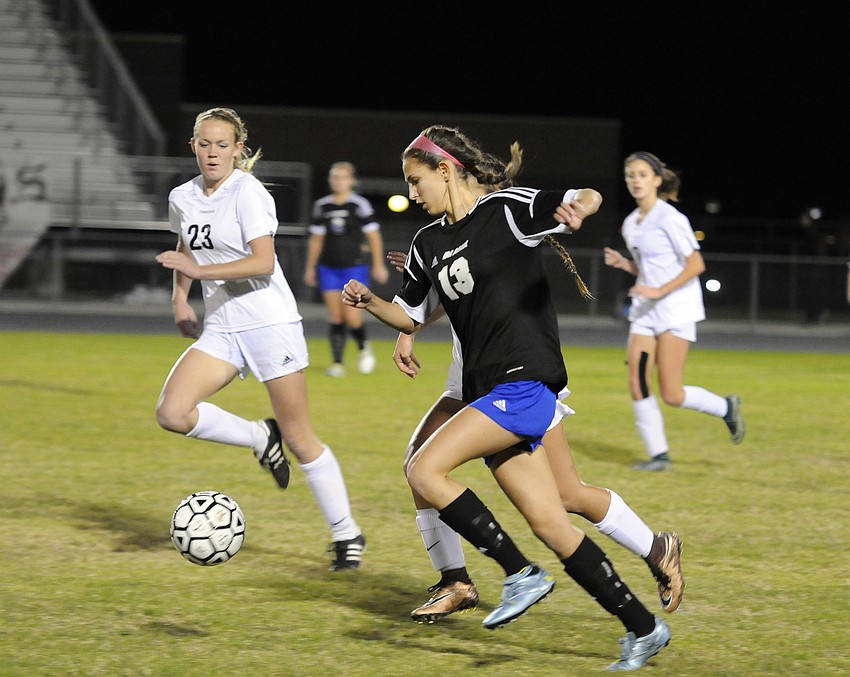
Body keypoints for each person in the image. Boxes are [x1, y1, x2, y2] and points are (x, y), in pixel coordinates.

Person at [343, 125, 671, 671]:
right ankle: (644, 628)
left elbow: (585, 195)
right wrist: (371, 302)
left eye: (416, 181)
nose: (412, 193)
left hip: (526, 384)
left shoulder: (507, 210)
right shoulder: (427, 243)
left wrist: (580, 209)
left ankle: (519, 573)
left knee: (424, 469)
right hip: (488, 391)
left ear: (445, 170)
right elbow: (410, 315)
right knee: (552, 523)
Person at [386, 252, 685, 625]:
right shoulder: (448, 234)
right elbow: (456, 289)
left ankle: (655, 550)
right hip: (471, 378)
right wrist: (414, 315)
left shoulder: (495, 233)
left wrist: (432, 285)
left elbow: (475, 283)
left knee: (567, 494)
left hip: (516, 378)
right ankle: (455, 581)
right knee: (419, 463)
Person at [154, 107, 365, 571]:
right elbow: (187, 246)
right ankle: (257, 435)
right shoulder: (182, 196)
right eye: (204, 144)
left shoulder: (248, 193)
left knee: (299, 437)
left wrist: (197, 273)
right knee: (172, 412)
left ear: (238, 149)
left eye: (222, 145)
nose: (213, 153)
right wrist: (180, 300)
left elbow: (263, 262)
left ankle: (347, 534)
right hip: (222, 327)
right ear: (192, 146)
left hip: (270, 325)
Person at [603, 151, 745, 472]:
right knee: (638, 381)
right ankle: (659, 456)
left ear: (657, 179)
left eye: (642, 175)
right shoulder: (631, 223)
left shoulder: (671, 218)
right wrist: (626, 265)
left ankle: (725, 407)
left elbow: (696, 264)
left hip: (675, 310)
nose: (635, 181)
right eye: (630, 175)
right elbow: (648, 269)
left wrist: (658, 291)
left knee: (671, 393)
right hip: (645, 312)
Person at [304, 161, 389, 377]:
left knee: (352, 318)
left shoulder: (359, 205)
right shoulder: (322, 206)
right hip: (329, 268)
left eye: (343, 177)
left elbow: (373, 236)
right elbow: (316, 239)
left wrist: (378, 264)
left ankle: (364, 348)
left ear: (352, 181)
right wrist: (310, 268)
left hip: (354, 268)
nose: (338, 181)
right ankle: (337, 364)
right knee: (336, 317)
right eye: (335, 177)